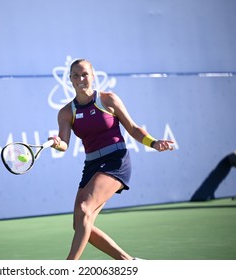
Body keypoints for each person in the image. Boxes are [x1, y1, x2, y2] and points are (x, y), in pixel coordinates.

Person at [49, 58, 174, 260]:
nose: (81, 79)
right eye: (75, 75)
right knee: (80, 223)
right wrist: (57, 143)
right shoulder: (66, 112)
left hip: (116, 160)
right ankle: (129, 262)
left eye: (85, 74)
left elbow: (133, 128)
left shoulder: (108, 100)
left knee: (83, 209)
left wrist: (153, 143)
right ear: (70, 80)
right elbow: (64, 144)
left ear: (93, 76)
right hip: (91, 165)